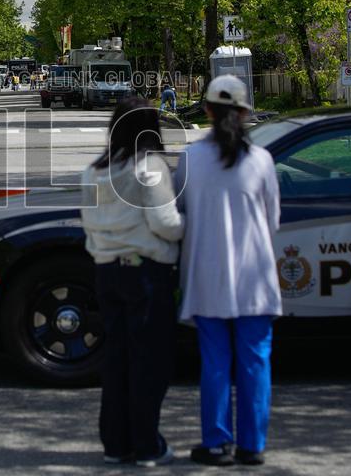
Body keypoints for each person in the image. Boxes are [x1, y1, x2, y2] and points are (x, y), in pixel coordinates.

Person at [172, 75, 280, 467]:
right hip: (254, 278)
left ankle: (217, 443)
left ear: (207, 111)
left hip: (208, 277)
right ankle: (252, 446)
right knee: (255, 361)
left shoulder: (190, 159)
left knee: (215, 363)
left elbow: (179, 211)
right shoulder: (262, 160)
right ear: (246, 112)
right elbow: (272, 221)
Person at [81, 98, 185, 468]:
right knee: (148, 362)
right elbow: (165, 223)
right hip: (145, 273)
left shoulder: (94, 171)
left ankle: (115, 443)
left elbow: (88, 222)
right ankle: (146, 445)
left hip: (107, 270)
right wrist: (190, 225)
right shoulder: (149, 167)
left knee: (116, 359)